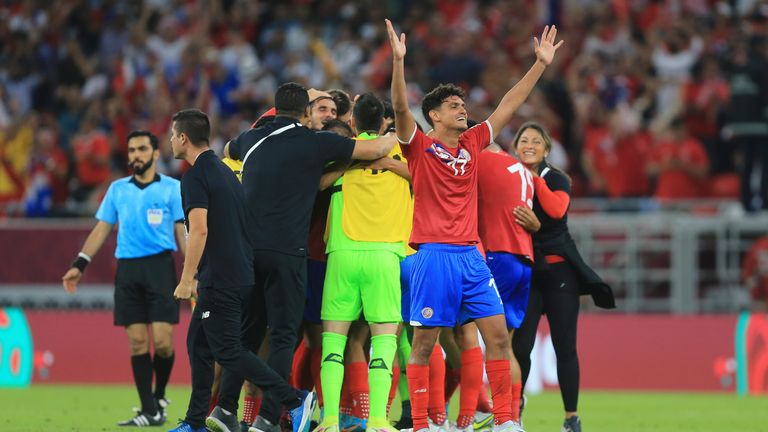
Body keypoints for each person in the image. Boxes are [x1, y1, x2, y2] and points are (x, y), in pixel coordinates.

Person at [385, 18, 563, 432]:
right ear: (433, 115)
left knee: (498, 338)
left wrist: (540, 65)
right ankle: (421, 424)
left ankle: (504, 422)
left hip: (471, 257)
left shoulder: (473, 142)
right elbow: (398, 108)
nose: (463, 109)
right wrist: (399, 63)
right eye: (453, 106)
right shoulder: (420, 147)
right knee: (425, 344)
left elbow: (508, 105)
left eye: (463, 105)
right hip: (433, 256)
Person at [217, 82, 397, 432]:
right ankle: (272, 416)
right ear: (305, 113)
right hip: (295, 253)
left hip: (248, 251)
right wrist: (400, 132)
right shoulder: (318, 143)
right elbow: (377, 146)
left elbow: (228, 147)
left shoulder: (252, 139)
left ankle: (225, 409)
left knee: (250, 337)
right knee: (289, 337)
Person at [167, 109, 316, 432]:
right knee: (200, 344)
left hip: (219, 277)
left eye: (172, 136)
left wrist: (186, 278)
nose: (170, 142)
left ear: (182, 138)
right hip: (237, 272)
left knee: (229, 351)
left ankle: (293, 399)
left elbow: (199, 229)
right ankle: (195, 422)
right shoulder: (223, 171)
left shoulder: (194, 177)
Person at [62, 130, 185, 427]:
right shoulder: (117, 190)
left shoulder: (173, 188)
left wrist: (195, 269)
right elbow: (101, 230)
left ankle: (158, 396)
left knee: (164, 341)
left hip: (159, 267)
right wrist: (80, 263)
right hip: (128, 270)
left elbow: (182, 231)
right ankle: (149, 410)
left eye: (142, 149)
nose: (135, 155)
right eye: (131, 150)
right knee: (137, 342)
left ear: (156, 154)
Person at [314, 93, 411, 432]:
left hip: (342, 254)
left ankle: (328, 419)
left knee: (333, 341)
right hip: (386, 255)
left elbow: (319, 184)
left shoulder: (345, 152)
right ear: (385, 121)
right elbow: (427, 178)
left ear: (352, 122)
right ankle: (378, 420)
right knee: (385, 339)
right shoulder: (401, 150)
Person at [509, 122, 615, 432]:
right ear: (515, 146)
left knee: (564, 347)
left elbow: (555, 211)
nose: (529, 145)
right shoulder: (509, 179)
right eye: (523, 140)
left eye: (536, 142)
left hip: (559, 274)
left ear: (546, 149)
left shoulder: (556, 179)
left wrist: (532, 181)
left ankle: (572, 418)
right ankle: (514, 408)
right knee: (521, 347)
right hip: (526, 272)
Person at [476, 139, 541, 428]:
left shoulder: (482, 161)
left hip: (497, 254)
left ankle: (477, 412)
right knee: (506, 346)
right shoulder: (521, 169)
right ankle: (512, 418)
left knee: (467, 335)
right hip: (523, 259)